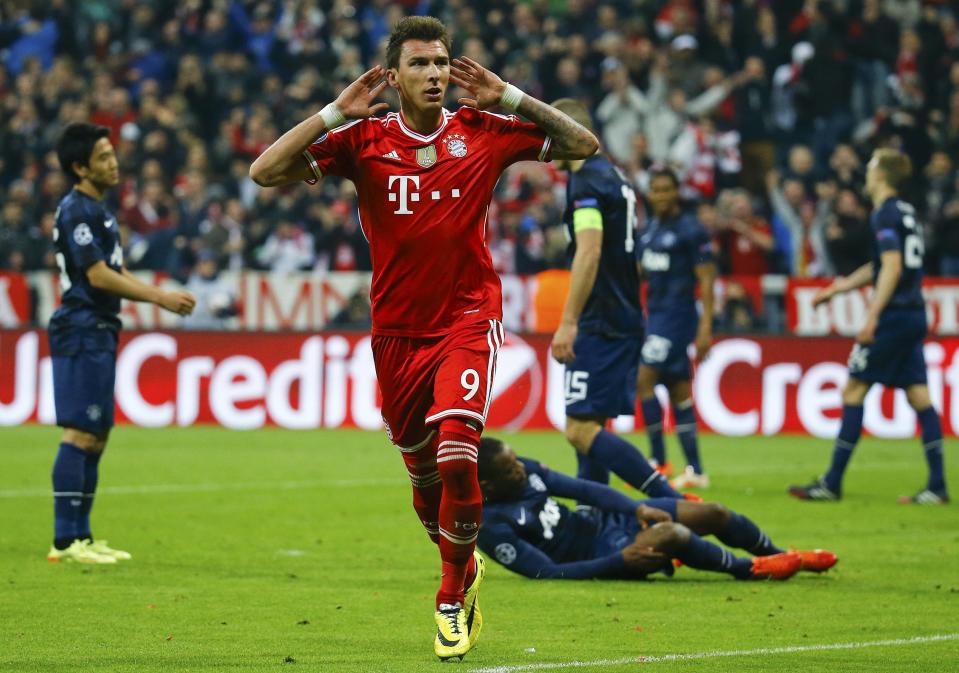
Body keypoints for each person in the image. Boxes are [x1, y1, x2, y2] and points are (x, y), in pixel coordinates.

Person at [248, 16, 598, 660]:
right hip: (395, 333)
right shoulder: (363, 139)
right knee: (424, 479)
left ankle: (447, 599)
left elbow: (584, 145)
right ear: (394, 76)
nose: (435, 74)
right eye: (420, 65)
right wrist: (332, 114)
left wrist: (513, 99)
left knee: (459, 456)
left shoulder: (484, 131)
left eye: (442, 63)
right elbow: (265, 171)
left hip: (467, 319)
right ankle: (462, 566)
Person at [47, 122, 195, 564]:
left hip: (99, 326)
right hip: (80, 325)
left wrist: (154, 293)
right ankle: (65, 541)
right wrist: (159, 297)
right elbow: (96, 275)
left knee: (97, 434)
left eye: (113, 154)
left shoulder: (100, 210)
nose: (114, 163)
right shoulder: (77, 210)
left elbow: (114, 270)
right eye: (103, 158)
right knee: (80, 431)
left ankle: (83, 536)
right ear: (80, 167)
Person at [789, 149, 949, 504]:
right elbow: (882, 265)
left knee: (854, 390)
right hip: (912, 313)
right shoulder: (905, 212)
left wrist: (873, 315)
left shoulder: (884, 214)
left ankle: (831, 482)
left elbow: (891, 268)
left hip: (893, 316)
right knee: (919, 395)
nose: (867, 171)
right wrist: (838, 289)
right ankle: (937, 485)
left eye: (872, 166)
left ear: (881, 175)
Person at [549, 99, 681, 502]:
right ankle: (596, 516)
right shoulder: (615, 178)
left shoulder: (587, 182)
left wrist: (569, 321)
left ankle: (673, 506)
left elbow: (590, 251)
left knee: (579, 429)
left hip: (600, 319)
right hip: (623, 313)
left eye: (548, 133)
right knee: (591, 425)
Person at [477, 437, 837, 581]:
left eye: (516, 462)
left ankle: (780, 555)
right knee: (673, 534)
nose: (521, 469)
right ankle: (751, 569)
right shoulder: (490, 526)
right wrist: (621, 562)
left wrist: (636, 508)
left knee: (713, 512)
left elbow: (585, 489)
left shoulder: (520, 470)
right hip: (605, 552)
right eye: (511, 469)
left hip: (605, 522)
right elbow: (545, 572)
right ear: (488, 486)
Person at [636, 167, 716, 489]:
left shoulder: (691, 230)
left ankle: (658, 462)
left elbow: (707, 279)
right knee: (678, 389)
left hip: (678, 316)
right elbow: (640, 273)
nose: (662, 195)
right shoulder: (648, 231)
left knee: (644, 380)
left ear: (676, 192)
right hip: (655, 316)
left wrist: (706, 327)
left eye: (667, 189)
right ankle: (695, 470)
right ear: (650, 193)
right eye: (656, 190)